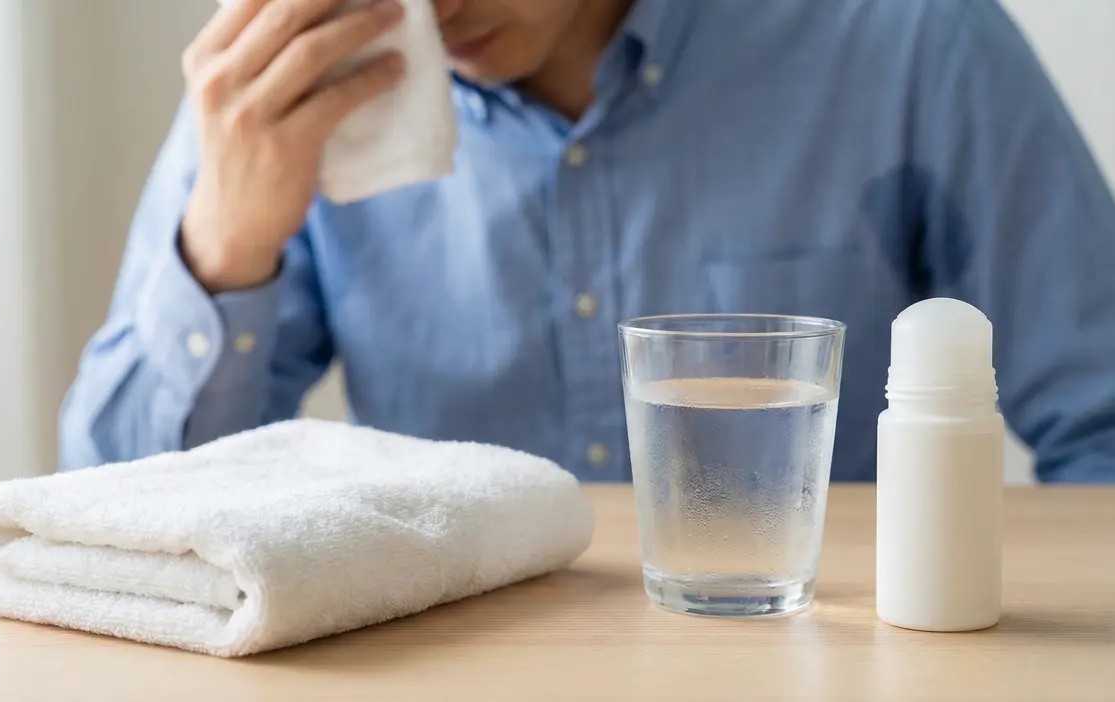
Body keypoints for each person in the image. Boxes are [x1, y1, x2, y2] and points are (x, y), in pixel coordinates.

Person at [59, 0, 1115, 483]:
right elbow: (114, 510)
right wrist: (225, 246)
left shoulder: (908, 39)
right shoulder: (287, 98)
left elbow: (1100, 421)